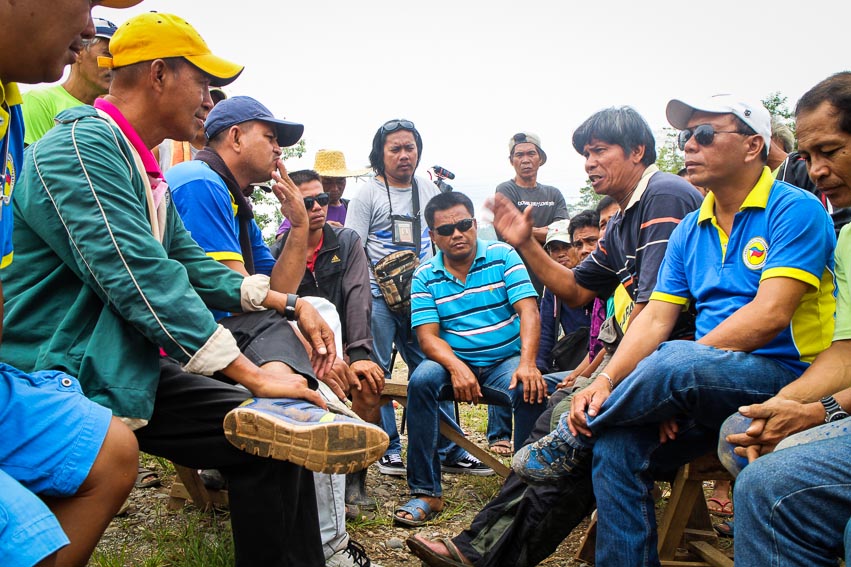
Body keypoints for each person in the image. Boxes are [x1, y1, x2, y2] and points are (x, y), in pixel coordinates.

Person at [2, 13, 385, 567]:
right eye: (202, 83)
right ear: (158, 75)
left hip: (123, 361)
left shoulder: (146, 170)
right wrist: (252, 373)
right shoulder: (83, 145)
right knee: (265, 411)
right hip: (63, 364)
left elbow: (192, 265)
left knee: (273, 439)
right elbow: (139, 277)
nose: (210, 100)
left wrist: (291, 302)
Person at [510, 95, 836, 567]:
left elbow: (770, 315)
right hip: (706, 383)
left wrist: (679, 373)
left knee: (674, 358)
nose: (689, 146)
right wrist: (606, 381)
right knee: (619, 447)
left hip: (788, 378)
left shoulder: (794, 210)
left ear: (752, 145)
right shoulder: (690, 229)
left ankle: (574, 437)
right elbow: (655, 319)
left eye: (705, 135)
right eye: (686, 137)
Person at [407, 106, 701, 567]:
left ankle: (481, 551)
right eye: (585, 154)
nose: (589, 163)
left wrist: (621, 385)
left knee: (571, 425)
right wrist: (526, 242)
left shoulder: (663, 197)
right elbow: (577, 288)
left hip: (679, 364)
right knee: (571, 433)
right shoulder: (623, 218)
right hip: (653, 365)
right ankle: (479, 548)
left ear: (638, 151)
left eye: (599, 151)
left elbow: (658, 311)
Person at [0, 2, 142, 566]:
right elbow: (131, 270)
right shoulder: (69, 136)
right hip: (57, 342)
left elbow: (177, 262)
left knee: (111, 452)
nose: (90, 31)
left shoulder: (11, 107)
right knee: (30, 537)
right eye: (83, 4)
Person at [720, 71, 851, 567]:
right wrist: (777, 409)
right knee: (742, 433)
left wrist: (822, 412)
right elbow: (847, 351)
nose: (817, 170)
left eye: (831, 151)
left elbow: (769, 315)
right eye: (808, 156)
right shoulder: (848, 238)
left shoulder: (794, 213)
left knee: (771, 484)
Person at [394, 191, 555, 527]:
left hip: (504, 360)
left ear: (474, 223)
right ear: (433, 237)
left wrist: (528, 362)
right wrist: (456, 367)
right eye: (446, 229)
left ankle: (522, 494)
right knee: (421, 381)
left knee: (530, 385)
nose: (457, 234)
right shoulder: (424, 275)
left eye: (464, 224)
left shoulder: (502, 255)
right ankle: (426, 492)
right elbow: (427, 337)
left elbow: (528, 310)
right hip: (451, 359)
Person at [345, 119, 483, 476]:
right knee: (378, 373)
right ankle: (386, 448)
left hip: (421, 296)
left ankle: (450, 448)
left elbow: (438, 238)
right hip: (377, 297)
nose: (404, 155)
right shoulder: (367, 194)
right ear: (380, 154)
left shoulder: (426, 188)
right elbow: (353, 248)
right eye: (395, 149)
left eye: (410, 148)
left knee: (433, 366)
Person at [273, 168, 386, 565]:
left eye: (322, 200)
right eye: (307, 202)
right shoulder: (277, 249)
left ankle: (355, 476)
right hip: (297, 348)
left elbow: (359, 296)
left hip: (342, 342)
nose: (318, 208)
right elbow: (276, 309)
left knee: (368, 383)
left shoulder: (348, 241)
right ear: (290, 208)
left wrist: (359, 353)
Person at [21, 17, 118, 145]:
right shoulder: (39, 101)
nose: (114, 64)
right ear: (80, 52)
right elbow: (27, 162)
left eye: (117, 57)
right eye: (107, 54)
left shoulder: (113, 116)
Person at [494, 131, 568, 295]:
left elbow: (563, 234)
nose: (525, 160)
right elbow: (508, 235)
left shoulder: (553, 194)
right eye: (519, 155)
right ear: (511, 161)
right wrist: (547, 231)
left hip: (553, 277)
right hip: (519, 279)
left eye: (531, 154)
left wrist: (524, 231)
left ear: (540, 158)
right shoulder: (505, 190)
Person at [535, 216, 596, 374]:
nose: (561, 254)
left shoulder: (598, 276)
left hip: (600, 357)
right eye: (554, 249)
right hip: (574, 359)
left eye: (566, 246)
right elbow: (546, 331)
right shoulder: (552, 287)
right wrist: (539, 370)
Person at [277, 149, 369, 236]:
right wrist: (320, 231)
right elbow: (280, 239)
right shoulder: (307, 206)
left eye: (340, 181)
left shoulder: (352, 207)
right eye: (328, 182)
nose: (335, 188)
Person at [154, 86, 227, 174]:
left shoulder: (228, 156)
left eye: (216, 107)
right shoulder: (162, 147)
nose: (209, 111)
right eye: (201, 100)